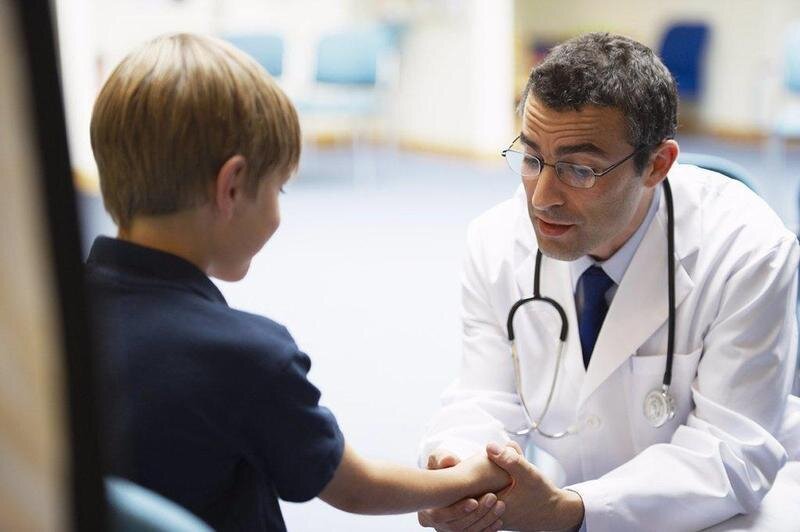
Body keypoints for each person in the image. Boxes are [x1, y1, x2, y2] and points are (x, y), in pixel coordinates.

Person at [85, 33, 511, 531]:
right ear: (232, 187)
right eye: (278, 188)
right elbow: (356, 487)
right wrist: (473, 476)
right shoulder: (246, 357)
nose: (280, 210)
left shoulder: (47, 316)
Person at [417, 32, 800, 531]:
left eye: (580, 169)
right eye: (531, 159)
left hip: (741, 500)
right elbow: (485, 397)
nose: (541, 198)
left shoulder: (749, 250)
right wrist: (458, 470)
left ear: (657, 165)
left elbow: (732, 452)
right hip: (578, 488)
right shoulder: (494, 241)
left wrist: (571, 510)